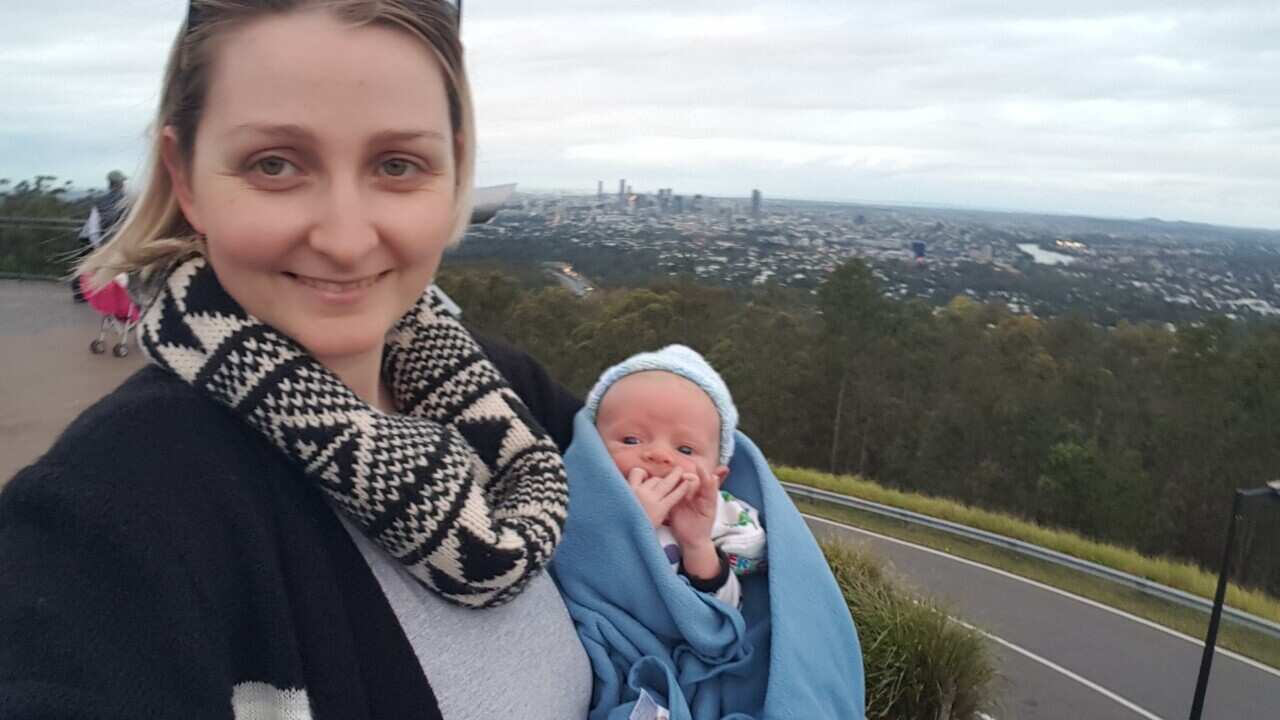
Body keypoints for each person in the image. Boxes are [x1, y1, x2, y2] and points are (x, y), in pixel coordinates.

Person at [0, 3, 594, 719]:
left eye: (398, 165)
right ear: (184, 178)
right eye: (274, 164)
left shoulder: (506, 396)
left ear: (456, 171)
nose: (345, 239)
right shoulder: (109, 512)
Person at [585, 345, 767, 608]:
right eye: (631, 439)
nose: (658, 455)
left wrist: (696, 545)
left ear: (716, 479)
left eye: (685, 449)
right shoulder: (581, 503)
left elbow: (725, 615)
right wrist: (629, 525)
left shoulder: (721, 524)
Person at [71, 169, 127, 302]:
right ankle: (111, 295)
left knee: (87, 267)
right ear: (119, 183)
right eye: (122, 182)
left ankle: (80, 294)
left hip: (92, 238)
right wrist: (99, 246)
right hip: (104, 239)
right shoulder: (124, 201)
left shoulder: (101, 201)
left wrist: (96, 243)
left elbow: (93, 224)